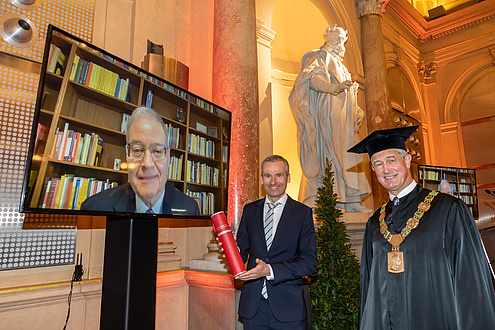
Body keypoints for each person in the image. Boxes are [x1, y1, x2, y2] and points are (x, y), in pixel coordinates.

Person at [347, 125, 495, 329]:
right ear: (373, 170)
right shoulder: (374, 223)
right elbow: (369, 292)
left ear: (407, 160)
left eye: (391, 160)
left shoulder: (448, 209)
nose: (386, 170)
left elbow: (470, 282)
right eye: (378, 164)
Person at [289, 24, 370, 212]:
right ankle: (332, 200)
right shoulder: (320, 57)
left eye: (343, 40)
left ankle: (351, 200)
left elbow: (349, 92)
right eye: (339, 39)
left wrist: (357, 110)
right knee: (330, 154)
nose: (342, 43)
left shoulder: (342, 65)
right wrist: (334, 88)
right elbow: (312, 80)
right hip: (329, 116)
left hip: (345, 119)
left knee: (350, 154)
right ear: (330, 39)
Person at [234, 155, 317, 329]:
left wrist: (270, 270)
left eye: (278, 175)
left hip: (288, 309)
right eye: (267, 176)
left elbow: (309, 263)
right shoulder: (249, 211)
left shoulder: (302, 213)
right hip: (254, 309)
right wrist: (229, 249)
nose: (273, 181)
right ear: (261, 178)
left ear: (288, 177)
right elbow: (240, 253)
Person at [81, 107, 200, 216]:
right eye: (137, 150)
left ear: (168, 157)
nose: (147, 164)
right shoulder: (94, 209)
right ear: (127, 156)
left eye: (157, 151)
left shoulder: (190, 208)